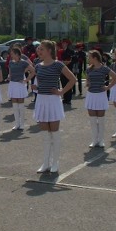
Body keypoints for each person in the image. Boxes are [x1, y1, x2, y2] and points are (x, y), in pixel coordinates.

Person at [32, 40, 77, 175]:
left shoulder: (58, 64)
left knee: (54, 133)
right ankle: (45, 163)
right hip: (41, 100)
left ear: (49, 51)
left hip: (53, 101)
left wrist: (61, 92)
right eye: (38, 49)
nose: (39, 52)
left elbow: (73, 79)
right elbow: (38, 82)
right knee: (45, 135)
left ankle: (55, 162)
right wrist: (36, 88)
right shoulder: (38, 66)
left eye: (41, 49)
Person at [85, 50, 116, 148]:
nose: (88, 59)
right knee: (92, 119)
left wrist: (108, 87)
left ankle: (101, 140)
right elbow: (87, 79)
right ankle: (94, 140)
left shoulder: (104, 68)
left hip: (100, 95)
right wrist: (88, 83)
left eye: (90, 57)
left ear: (95, 58)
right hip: (91, 95)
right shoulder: (88, 69)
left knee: (101, 119)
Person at [7, 47, 35, 130]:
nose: (11, 55)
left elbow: (33, 71)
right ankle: (17, 124)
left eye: (12, 53)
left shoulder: (23, 63)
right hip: (13, 84)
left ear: (17, 54)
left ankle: (22, 123)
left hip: (20, 85)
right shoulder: (11, 63)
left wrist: (26, 80)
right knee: (15, 106)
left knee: (21, 105)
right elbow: (10, 73)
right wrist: (9, 77)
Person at [58, 39, 75, 105]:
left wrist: (69, 62)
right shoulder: (60, 51)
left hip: (69, 69)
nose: (63, 44)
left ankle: (69, 99)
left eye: (64, 43)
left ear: (67, 44)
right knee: (63, 84)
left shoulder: (70, 51)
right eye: (62, 43)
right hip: (62, 69)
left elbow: (73, 60)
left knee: (68, 84)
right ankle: (65, 98)